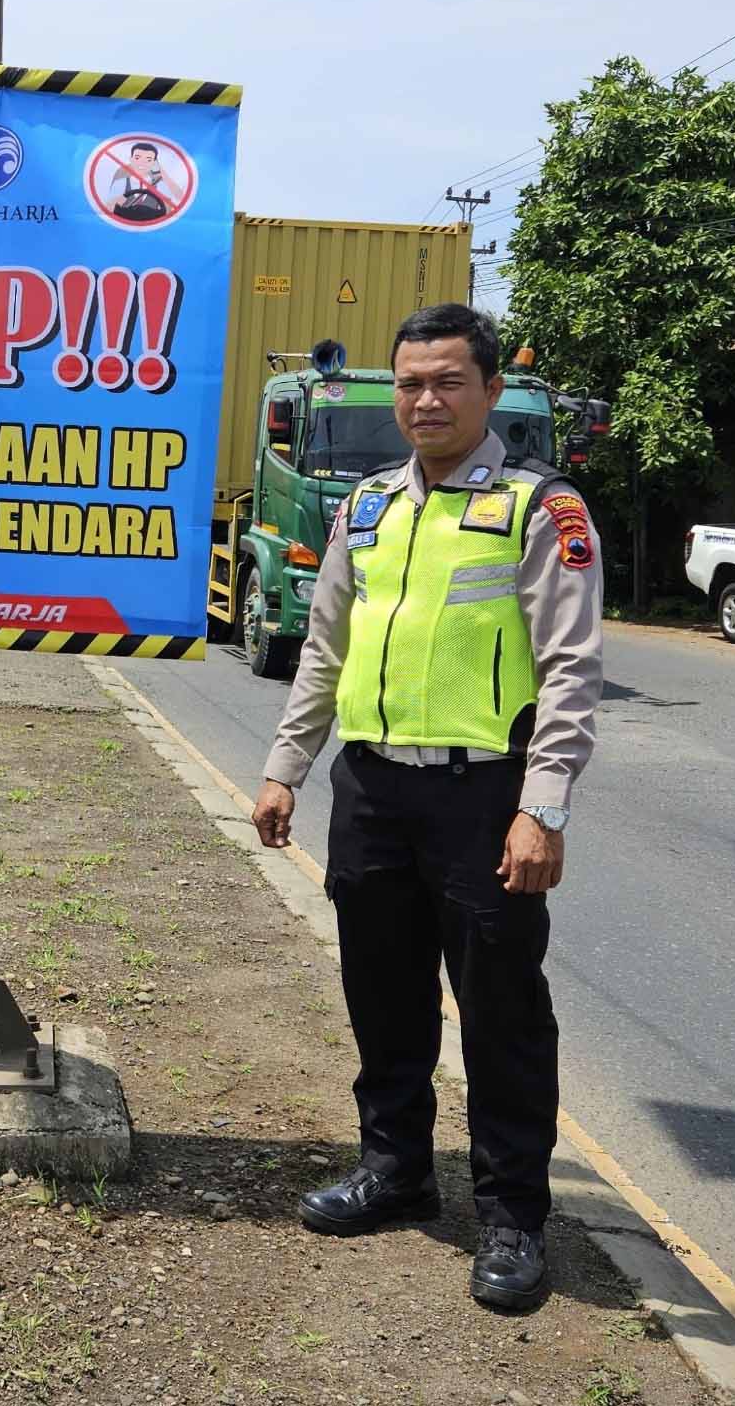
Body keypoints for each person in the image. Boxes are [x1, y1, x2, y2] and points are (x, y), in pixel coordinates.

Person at [251, 302, 602, 1313]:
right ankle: (394, 1171)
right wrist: (286, 768)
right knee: (382, 993)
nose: (425, 399)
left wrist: (544, 808)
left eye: (447, 380)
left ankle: (509, 1218)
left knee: (499, 1012)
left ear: (490, 390)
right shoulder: (366, 510)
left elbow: (572, 671)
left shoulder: (541, 510)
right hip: (372, 791)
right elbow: (325, 650)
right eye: (409, 382)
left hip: (483, 794)